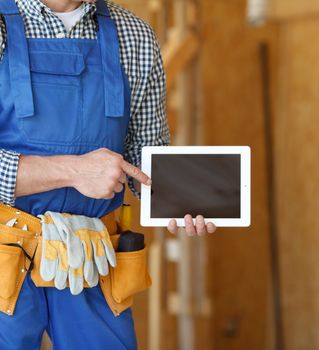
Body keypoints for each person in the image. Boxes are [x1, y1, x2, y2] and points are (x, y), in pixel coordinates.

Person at [0, 0, 217, 349]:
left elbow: (147, 160)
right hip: (5, 255)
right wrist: (74, 171)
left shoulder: (136, 36)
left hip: (93, 257)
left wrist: (181, 200)